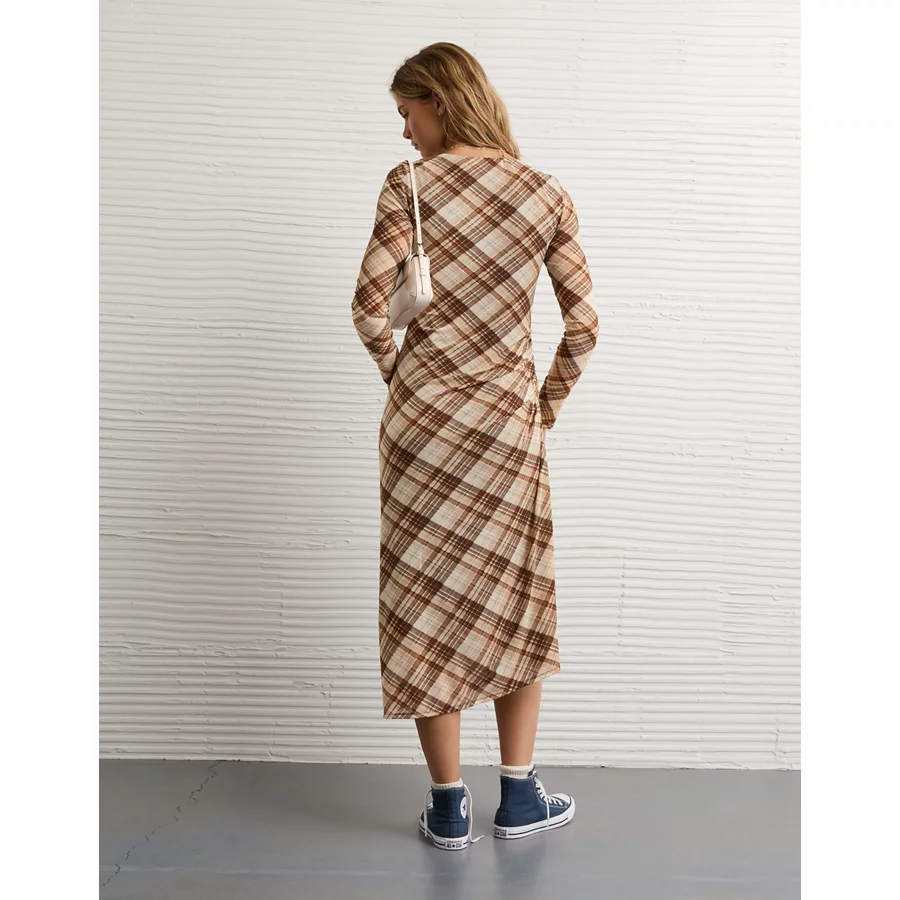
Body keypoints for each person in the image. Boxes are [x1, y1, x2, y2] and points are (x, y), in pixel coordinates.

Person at [351, 42, 599, 850]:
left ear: (440, 101)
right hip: (506, 433)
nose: (405, 133)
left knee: (427, 602)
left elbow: (368, 311)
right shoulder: (544, 192)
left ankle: (449, 805)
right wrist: (541, 408)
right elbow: (584, 327)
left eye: (408, 113)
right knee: (514, 599)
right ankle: (519, 796)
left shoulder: (410, 187)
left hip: (421, 435)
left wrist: (407, 382)